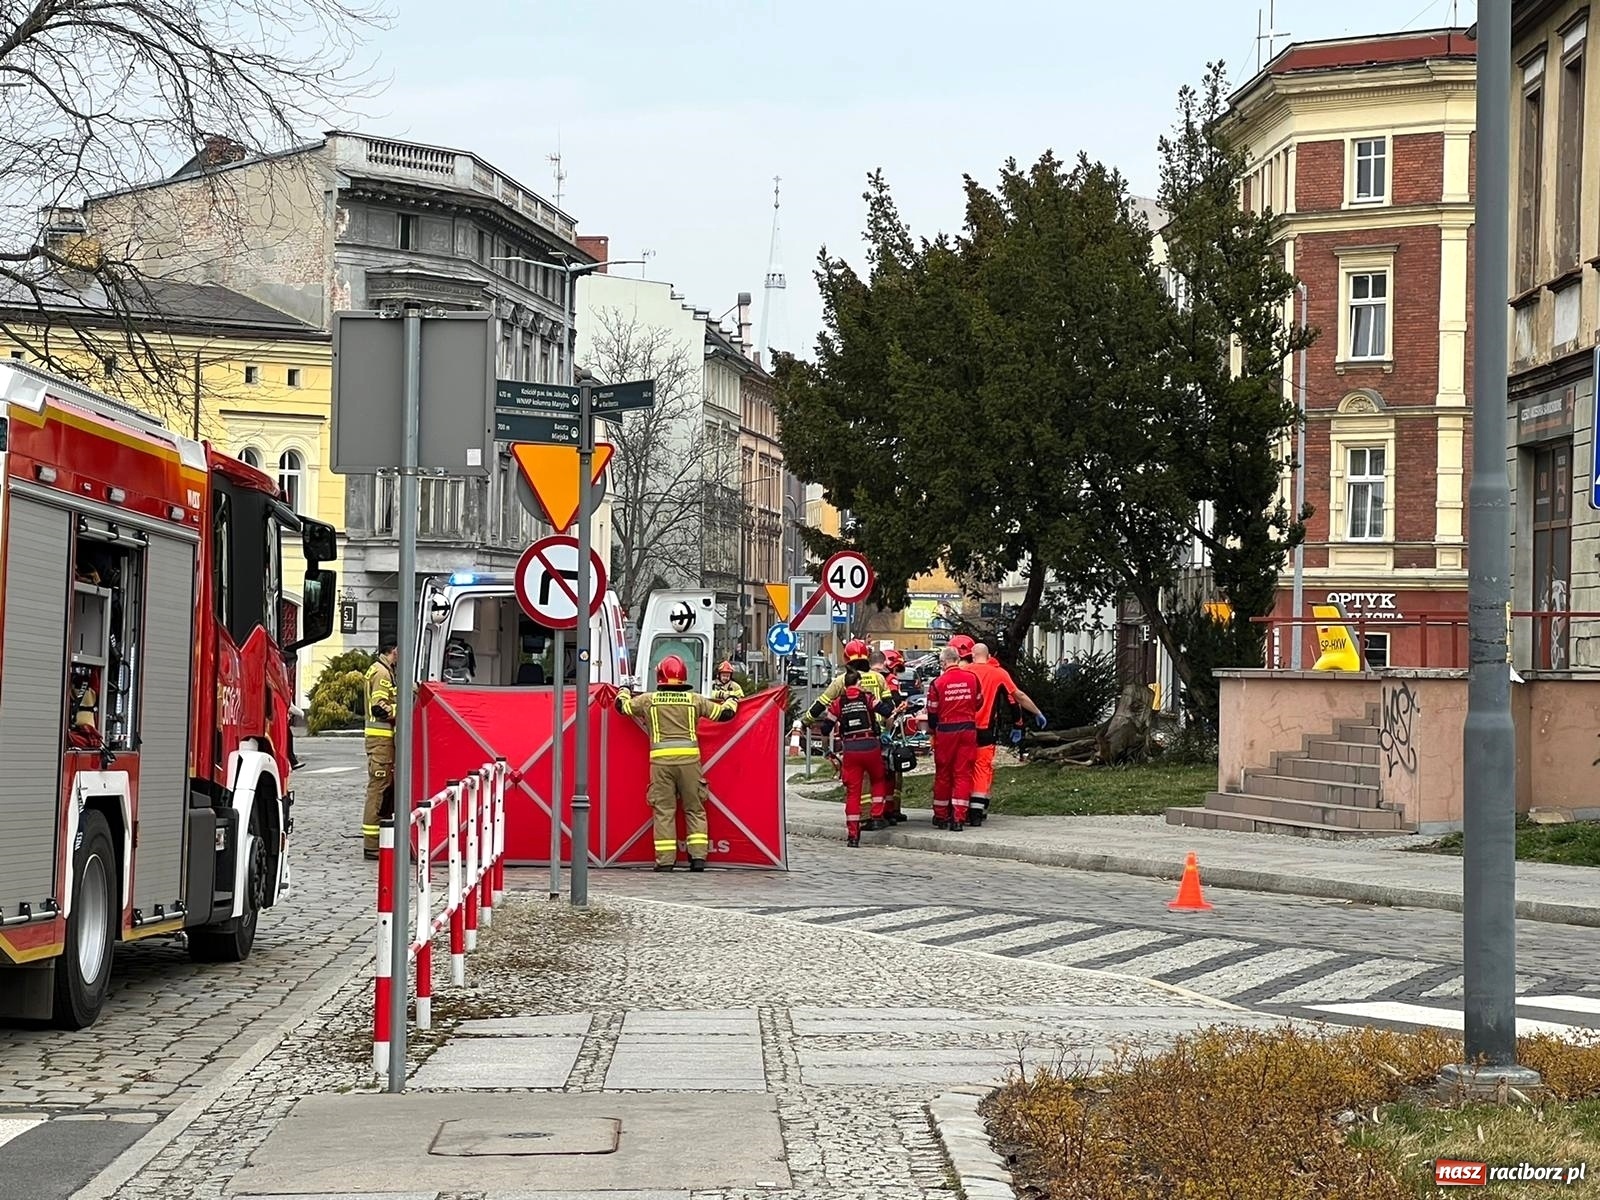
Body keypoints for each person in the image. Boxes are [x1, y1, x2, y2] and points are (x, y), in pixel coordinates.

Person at [616, 654, 736, 872]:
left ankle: (665, 861)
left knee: (664, 811)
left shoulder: (648, 700)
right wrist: (733, 699)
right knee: (695, 809)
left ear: (660, 676)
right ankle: (698, 858)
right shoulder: (694, 700)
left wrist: (623, 689)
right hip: (690, 763)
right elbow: (725, 714)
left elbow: (621, 707)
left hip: (660, 765)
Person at [966, 642, 1047, 826]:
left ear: (971, 655)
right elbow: (1018, 696)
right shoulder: (998, 673)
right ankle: (977, 812)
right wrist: (1036, 712)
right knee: (982, 768)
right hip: (986, 729)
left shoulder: (965, 671)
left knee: (963, 768)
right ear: (988, 657)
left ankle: (960, 809)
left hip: (963, 728)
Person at [817, 670, 897, 845]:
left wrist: (825, 749)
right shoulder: (868, 698)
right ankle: (877, 815)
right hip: (870, 745)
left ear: (845, 686)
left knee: (853, 792)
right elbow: (888, 712)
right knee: (878, 779)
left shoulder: (838, 703)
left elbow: (825, 728)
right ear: (859, 683)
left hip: (851, 749)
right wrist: (887, 732)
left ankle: (853, 835)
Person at [924, 644, 981, 830]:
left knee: (943, 773)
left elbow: (932, 712)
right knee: (963, 773)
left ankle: (941, 816)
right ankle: (958, 818)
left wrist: (934, 730)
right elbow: (978, 702)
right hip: (968, 729)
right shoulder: (972, 678)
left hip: (946, 730)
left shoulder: (938, 683)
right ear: (957, 659)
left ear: (943, 662)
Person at [361, 639, 400, 860]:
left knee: (382, 788)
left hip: (380, 741)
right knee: (379, 789)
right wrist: (403, 705)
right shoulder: (382, 673)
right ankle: (372, 844)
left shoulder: (380, 669)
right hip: (380, 741)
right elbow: (380, 708)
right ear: (394, 651)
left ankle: (376, 841)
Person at [803, 639, 891, 727]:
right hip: (877, 731)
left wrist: (805, 722)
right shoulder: (878, 677)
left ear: (846, 658)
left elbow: (821, 704)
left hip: (849, 732)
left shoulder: (841, 680)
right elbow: (889, 704)